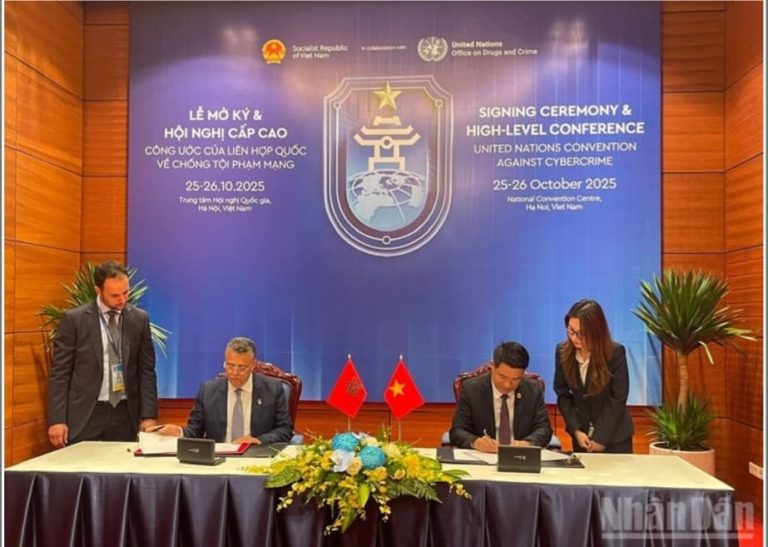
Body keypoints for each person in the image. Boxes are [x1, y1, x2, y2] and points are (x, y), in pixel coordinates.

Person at [48, 261, 158, 448]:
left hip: (125, 413)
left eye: (125, 292)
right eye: (115, 295)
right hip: (86, 413)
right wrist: (57, 419)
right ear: (98, 290)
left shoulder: (139, 319)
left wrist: (149, 416)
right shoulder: (75, 320)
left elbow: (146, 371)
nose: (122, 300)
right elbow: (60, 373)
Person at [154, 337, 293, 444]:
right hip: (218, 458)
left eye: (242, 367)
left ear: (252, 365)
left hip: (256, 456)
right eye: (230, 366)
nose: (234, 372)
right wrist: (179, 431)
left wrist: (259, 440)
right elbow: (195, 430)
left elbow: (285, 429)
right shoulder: (208, 390)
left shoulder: (272, 389)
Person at [553, 299, 634, 453]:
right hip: (581, 437)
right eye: (571, 331)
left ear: (597, 331)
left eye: (581, 334)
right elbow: (562, 394)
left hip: (614, 437)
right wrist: (576, 430)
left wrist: (600, 438)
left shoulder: (615, 353)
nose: (575, 338)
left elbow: (618, 398)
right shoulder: (562, 352)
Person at [450, 341, 553, 452]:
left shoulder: (533, 389)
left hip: (521, 456)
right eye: (502, 377)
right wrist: (476, 442)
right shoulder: (472, 389)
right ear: (492, 366)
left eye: (515, 379)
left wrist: (528, 443)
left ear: (523, 373)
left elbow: (544, 429)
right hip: (484, 455)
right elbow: (457, 431)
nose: (507, 384)